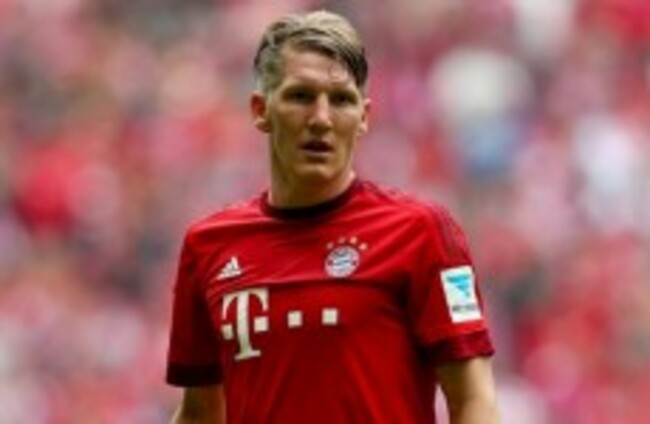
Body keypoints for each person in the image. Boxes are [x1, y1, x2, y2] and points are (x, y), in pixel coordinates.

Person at [166, 10, 500, 424]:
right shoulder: (208, 246)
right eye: (301, 96)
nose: (321, 119)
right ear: (260, 110)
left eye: (341, 100)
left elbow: (473, 399)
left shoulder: (423, 233)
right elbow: (200, 413)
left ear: (364, 117)